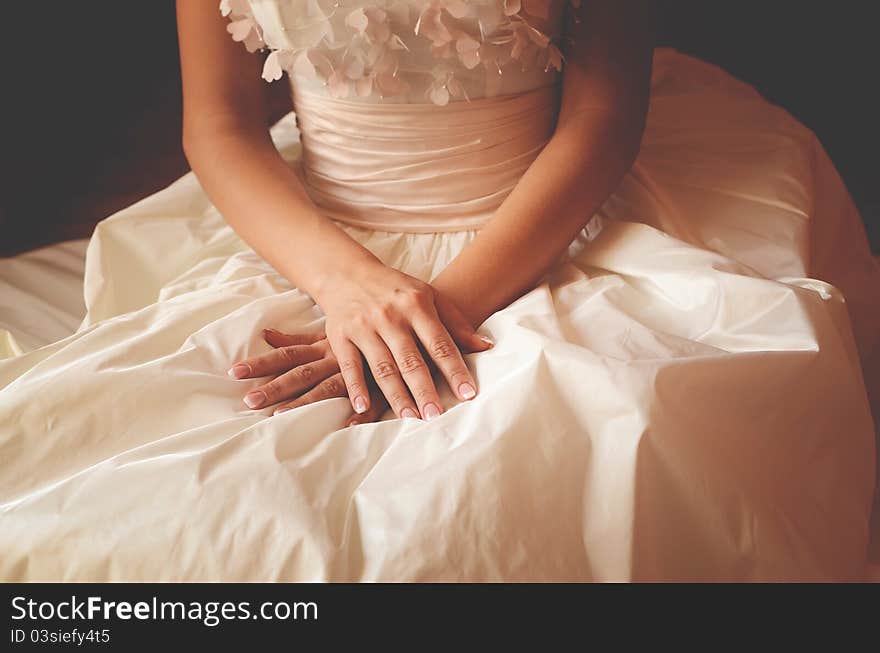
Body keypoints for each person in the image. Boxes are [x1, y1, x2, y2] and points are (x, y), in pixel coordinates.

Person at [0, 0, 877, 581]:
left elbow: (604, 115)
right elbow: (219, 122)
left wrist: (445, 306)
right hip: (315, 238)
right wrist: (351, 288)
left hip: (539, 223)